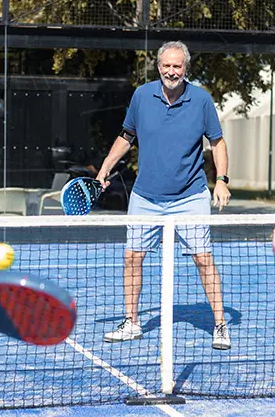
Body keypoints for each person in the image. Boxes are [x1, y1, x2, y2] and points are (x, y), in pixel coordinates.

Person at [97, 41, 232, 350]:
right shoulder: (141, 96)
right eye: (167, 65)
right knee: (133, 257)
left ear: (186, 69)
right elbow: (126, 136)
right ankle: (132, 322)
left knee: (203, 260)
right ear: (158, 67)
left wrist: (221, 180)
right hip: (145, 196)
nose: (172, 71)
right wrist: (105, 166)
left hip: (191, 196)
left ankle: (220, 325)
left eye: (178, 66)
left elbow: (218, 142)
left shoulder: (201, 100)